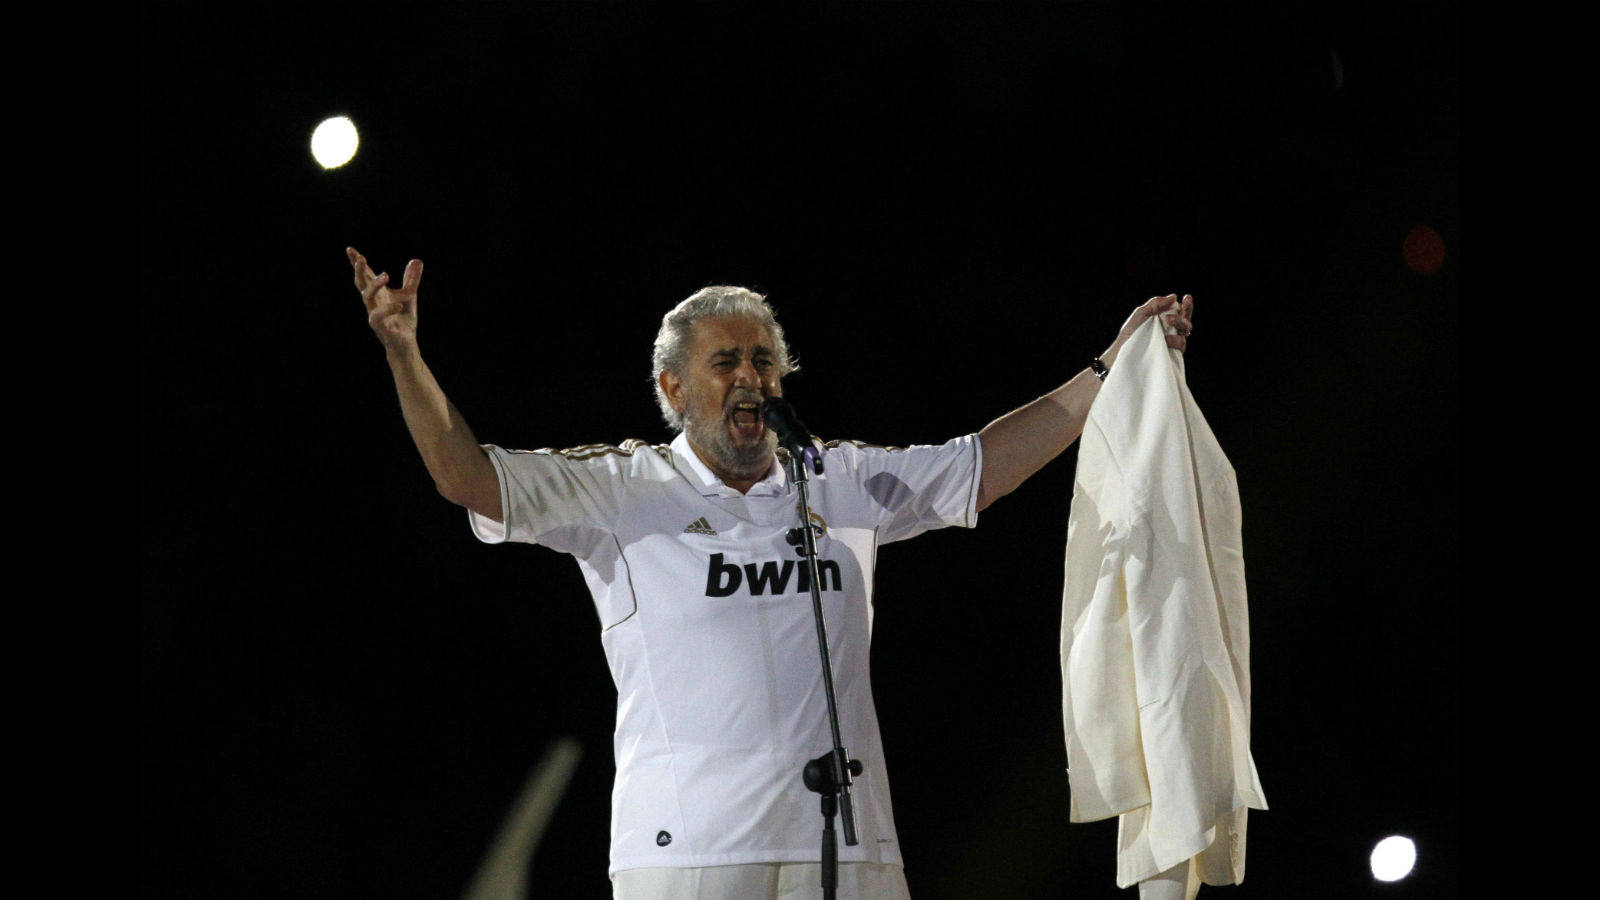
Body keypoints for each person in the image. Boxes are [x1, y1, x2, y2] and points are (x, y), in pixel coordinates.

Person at [347, 247, 1193, 900]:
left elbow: (983, 465)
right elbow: (468, 477)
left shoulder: (841, 482)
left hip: (851, 847)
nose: (750, 378)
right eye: (726, 364)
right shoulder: (618, 489)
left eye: (763, 362)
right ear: (673, 389)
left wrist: (1109, 373)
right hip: (691, 857)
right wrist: (403, 355)